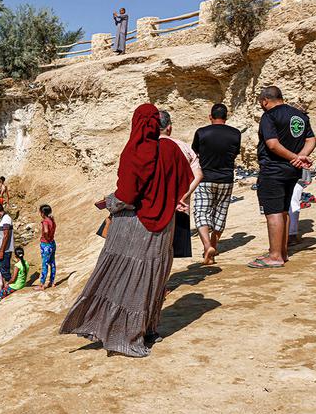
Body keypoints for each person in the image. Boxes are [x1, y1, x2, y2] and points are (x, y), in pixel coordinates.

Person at [60, 104, 193, 357]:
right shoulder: (172, 149)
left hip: (135, 226)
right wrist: (164, 197)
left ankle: (124, 335)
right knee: (152, 278)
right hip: (165, 225)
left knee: (124, 279)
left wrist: (108, 201)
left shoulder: (136, 150)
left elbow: (128, 195)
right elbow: (183, 182)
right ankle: (147, 330)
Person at [250, 86, 316, 268]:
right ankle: (283, 252)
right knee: (284, 210)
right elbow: (311, 140)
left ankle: (275, 256)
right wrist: (300, 156)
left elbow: (272, 144)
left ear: (265, 101)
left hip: (273, 170)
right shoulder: (300, 115)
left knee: (273, 213)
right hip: (292, 171)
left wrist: (295, 157)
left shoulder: (269, 116)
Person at [191, 103, 241, 265]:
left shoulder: (202, 132)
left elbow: (195, 153)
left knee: (201, 212)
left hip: (205, 178)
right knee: (220, 213)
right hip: (226, 178)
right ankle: (213, 245)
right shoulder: (235, 133)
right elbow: (234, 153)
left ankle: (207, 247)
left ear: (210, 117)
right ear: (226, 117)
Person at [159, 111, 202, 259]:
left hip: (156, 206)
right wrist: (184, 196)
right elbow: (199, 175)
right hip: (180, 206)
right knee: (172, 248)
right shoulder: (183, 146)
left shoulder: (147, 147)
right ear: (169, 128)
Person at [37, 205, 57, 290]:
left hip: (46, 244)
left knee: (44, 264)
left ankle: (42, 284)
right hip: (52, 243)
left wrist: (46, 237)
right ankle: (51, 282)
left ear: (42, 213)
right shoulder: (52, 220)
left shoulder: (45, 221)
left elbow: (45, 231)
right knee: (52, 263)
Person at [0, 203, 14, 283]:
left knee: (5, 270)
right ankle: (6, 288)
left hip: (5, 250)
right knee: (2, 269)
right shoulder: (2, 219)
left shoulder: (6, 219)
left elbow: (6, 236)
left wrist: (1, 251)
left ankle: (9, 287)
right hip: (2, 249)